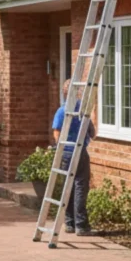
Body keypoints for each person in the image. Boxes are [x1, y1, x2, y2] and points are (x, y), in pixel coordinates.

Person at [52, 78, 93, 235]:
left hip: (66, 152)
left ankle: (69, 223)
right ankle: (81, 225)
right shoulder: (83, 111)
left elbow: (56, 133)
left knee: (67, 186)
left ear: (64, 93)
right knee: (80, 186)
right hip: (80, 151)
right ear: (78, 93)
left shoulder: (61, 111)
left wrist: (61, 149)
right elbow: (93, 134)